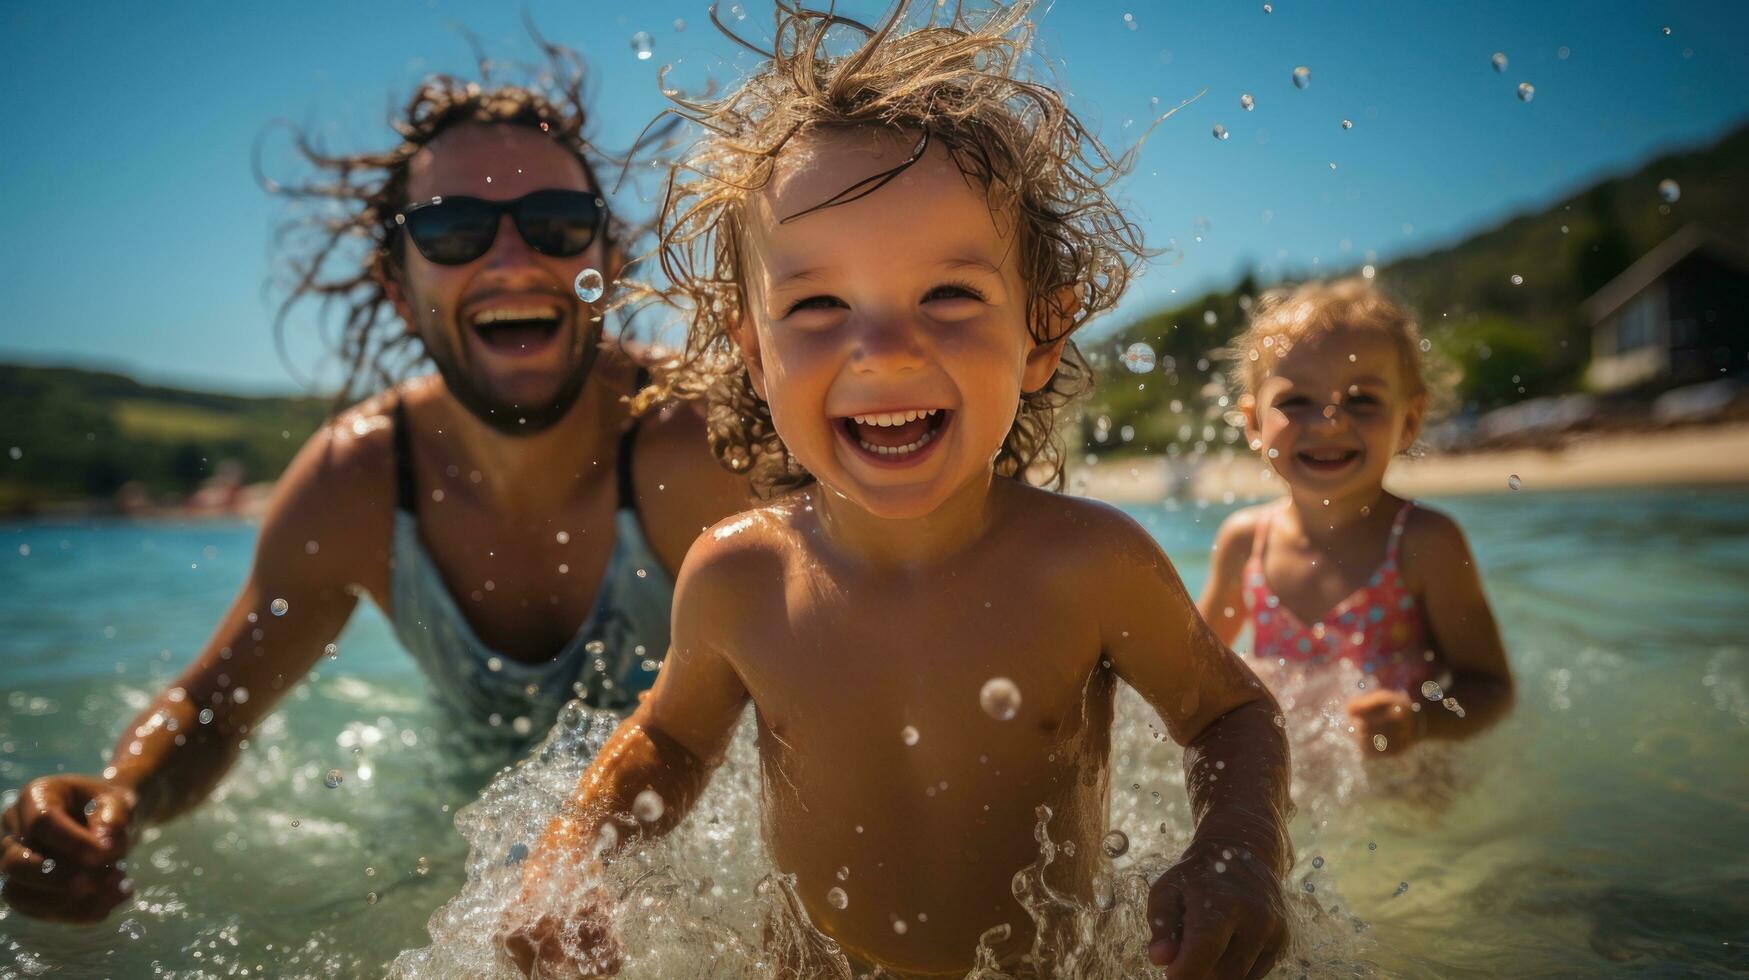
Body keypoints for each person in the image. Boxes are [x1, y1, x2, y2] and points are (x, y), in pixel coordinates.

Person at [499, 8, 1292, 977]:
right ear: (754, 355)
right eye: (818, 305)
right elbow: (669, 739)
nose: (884, 350)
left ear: (1040, 334)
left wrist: (1237, 847)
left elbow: (1231, 714)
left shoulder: (1088, 565)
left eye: (949, 296)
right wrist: (573, 851)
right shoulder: (739, 573)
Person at [0, 62, 747, 924]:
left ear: (605, 267)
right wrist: (118, 795)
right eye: (453, 230)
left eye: (555, 224)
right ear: (398, 286)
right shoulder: (355, 485)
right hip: (468, 816)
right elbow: (212, 711)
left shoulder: (700, 444)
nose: (511, 259)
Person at [1198, 279, 1514, 757]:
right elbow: (1191, 674)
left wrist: (1421, 722)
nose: (1328, 422)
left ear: (1408, 420)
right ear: (1254, 424)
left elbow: (1491, 688)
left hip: (1406, 794)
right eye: (1295, 401)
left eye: (1362, 399)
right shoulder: (1245, 542)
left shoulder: (1424, 543)